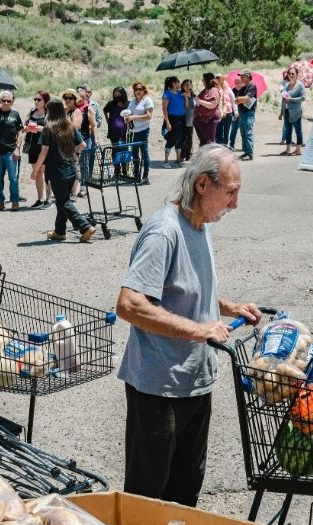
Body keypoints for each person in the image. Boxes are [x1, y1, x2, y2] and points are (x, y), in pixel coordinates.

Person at [115, 144, 259, 506]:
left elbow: (186, 288)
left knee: (185, 491)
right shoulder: (164, 231)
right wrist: (201, 331)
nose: (236, 204)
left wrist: (227, 306)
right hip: (159, 389)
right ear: (202, 186)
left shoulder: (200, 225)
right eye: (230, 192)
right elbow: (131, 305)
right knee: (148, 498)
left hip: (195, 382)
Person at [36, 99, 96, 243]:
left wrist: (36, 169)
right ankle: (60, 231)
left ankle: (85, 226)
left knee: (63, 202)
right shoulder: (69, 126)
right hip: (71, 169)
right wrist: (74, 152)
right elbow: (82, 144)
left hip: (57, 172)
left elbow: (44, 151)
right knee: (63, 200)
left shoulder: (48, 128)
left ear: (50, 112)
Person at [0, 90, 25, 212]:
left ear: (12, 101)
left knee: (13, 178)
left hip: (11, 152)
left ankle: (15, 201)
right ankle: (0, 202)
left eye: (8, 100)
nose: (5, 102)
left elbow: (20, 131)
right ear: (0, 101)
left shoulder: (15, 114)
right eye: (3, 100)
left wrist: (18, 148)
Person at [25, 91, 53, 207]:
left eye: (39, 100)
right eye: (35, 99)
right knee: (38, 173)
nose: (36, 102)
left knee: (47, 172)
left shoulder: (49, 113)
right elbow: (24, 126)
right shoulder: (32, 111)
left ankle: (49, 199)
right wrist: (27, 128)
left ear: (45, 101)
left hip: (45, 145)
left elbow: (53, 129)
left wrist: (41, 129)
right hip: (33, 145)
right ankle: (40, 198)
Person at [128, 81, 156, 185]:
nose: (138, 91)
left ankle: (145, 177)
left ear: (144, 90)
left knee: (144, 153)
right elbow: (130, 113)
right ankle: (137, 175)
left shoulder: (147, 100)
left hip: (143, 130)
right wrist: (128, 118)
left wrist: (133, 117)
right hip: (134, 130)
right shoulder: (132, 102)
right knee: (134, 153)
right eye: (136, 89)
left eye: (140, 89)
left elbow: (149, 116)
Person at [104, 86, 132, 179]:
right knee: (116, 151)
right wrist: (109, 122)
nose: (116, 96)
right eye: (115, 94)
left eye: (118, 94)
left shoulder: (128, 104)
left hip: (126, 132)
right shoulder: (112, 104)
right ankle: (117, 172)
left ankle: (125, 171)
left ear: (123, 94)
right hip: (114, 133)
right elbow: (105, 110)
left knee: (125, 151)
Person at [278, 68, 306, 156]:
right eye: (289, 73)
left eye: (293, 74)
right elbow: (283, 99)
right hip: (286, 111)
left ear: (297, 75)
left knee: (298, 131)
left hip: (296, 112)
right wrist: (281, 112)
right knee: (288, 131)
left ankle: (298, 150)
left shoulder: (300, 85)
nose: (290, 75)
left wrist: (291, 99)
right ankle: (288, 149)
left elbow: (303, 98)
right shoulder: (286, 85)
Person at [161, 77, 186, 166]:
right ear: (173, 84)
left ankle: (178, 160)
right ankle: (166, 161)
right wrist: (167, 122)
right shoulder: (167, 94)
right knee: (172, 139)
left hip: (182, 119)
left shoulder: (181, 93)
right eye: (178, 82)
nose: (180, 84)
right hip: (172, 119)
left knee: (180, 138)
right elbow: (164, 109)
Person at [234, 70, 258, 161]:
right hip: (242, 112)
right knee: (243, 133)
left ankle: (249, 154)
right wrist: (241, 99)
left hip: (248, 113)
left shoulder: (252, 86)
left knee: (248, 133)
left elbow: (246, 98)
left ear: (248, 76)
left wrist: (240, 99)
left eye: (242, 76)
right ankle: (246, 152)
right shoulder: (243, 88)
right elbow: (237, 101)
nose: (241, 78)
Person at [194, 74, 221, 146]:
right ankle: (203, 156)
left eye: (203, 79)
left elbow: (212, 105)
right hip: (201, 119)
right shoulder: (205, 90)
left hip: (209, 120)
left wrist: (199, 101)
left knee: (209, 142)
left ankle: (211, 157)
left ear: (207, 80)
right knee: (203, 141)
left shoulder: (214, 90)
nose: (202, 81)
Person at [218, 76, 238, 150]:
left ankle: (225, 145)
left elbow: (233, 101)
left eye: (221, 79)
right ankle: (220, 146)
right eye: (219, 79)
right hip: (220, 113)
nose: (220, 81)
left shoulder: (229, 89)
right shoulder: (217, 90)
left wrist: (235, 111)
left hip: (228, 113)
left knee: (227, 130)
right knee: (219, 130)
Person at [180, 79, 196, 163]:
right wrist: (186, 98)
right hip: (184, 118)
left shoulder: (193, 95)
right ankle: (182, 155)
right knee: (184, 138)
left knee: (190, 137)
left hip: (191, 119)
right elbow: (186, 107)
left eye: (189, 85)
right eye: (186, 85)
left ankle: (188, 155)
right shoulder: (182, 95)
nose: (188, 86)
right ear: (183, 86)